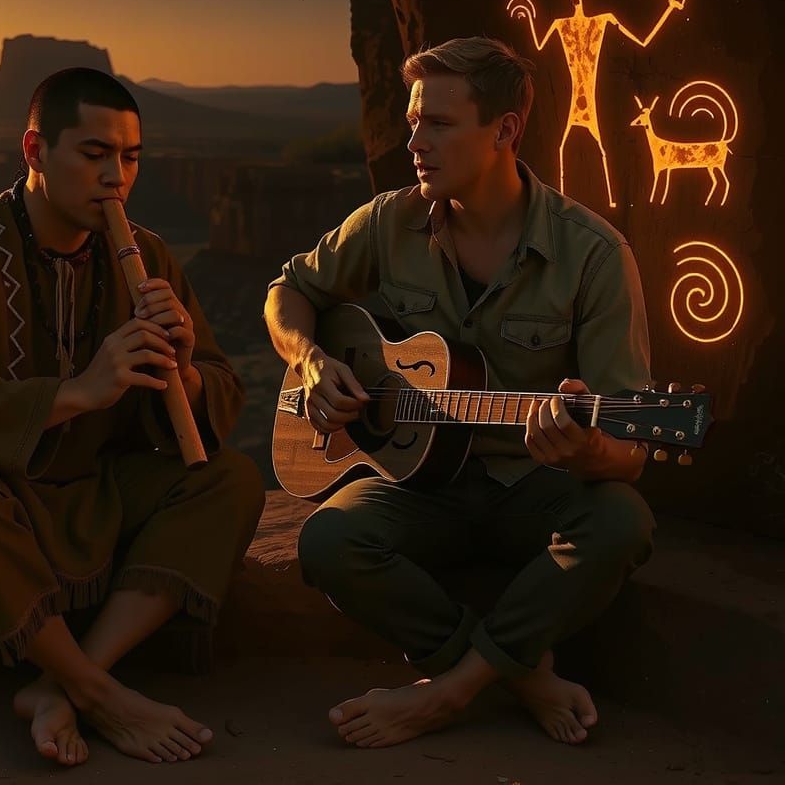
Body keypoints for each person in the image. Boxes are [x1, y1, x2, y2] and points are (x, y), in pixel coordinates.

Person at [0, 67, 265, 767]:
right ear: (35, 151)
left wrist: (185, 372)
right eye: (95, 154)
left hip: (92, 493)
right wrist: (81, 389)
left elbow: (217, 388)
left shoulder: (150, 253)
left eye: (131, 158)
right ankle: (101, 695)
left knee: (231, 480)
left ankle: (64, 684)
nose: (117, 177)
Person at [263, 37, 655, 749]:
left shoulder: (594, 256)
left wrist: (588, 446)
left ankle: (447, 691)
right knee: (327, 538)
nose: (413, 141)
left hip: (530, 483)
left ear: (504, 130)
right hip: (417, 486)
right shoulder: (389, 221)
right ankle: (521, 677)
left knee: (622, 522)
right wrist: (313, 359)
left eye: (438, 124)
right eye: (413, 121)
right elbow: (288, 290)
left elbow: (626, 456)